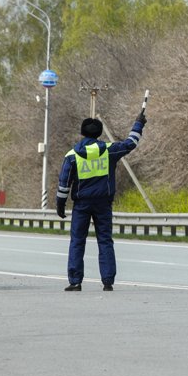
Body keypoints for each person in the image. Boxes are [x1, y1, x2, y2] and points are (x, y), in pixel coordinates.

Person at [56, 110, 147, 292]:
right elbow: (131, 144)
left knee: (77, 241)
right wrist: (139, 123)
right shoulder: (109, 150)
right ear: (99, 134)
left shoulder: (72, 155)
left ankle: (75, 281)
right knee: (105, 240)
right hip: (103, 204)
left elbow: (64, 183)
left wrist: (60, 204)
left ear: (82, 133)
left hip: (81, 205)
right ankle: (107, 281)